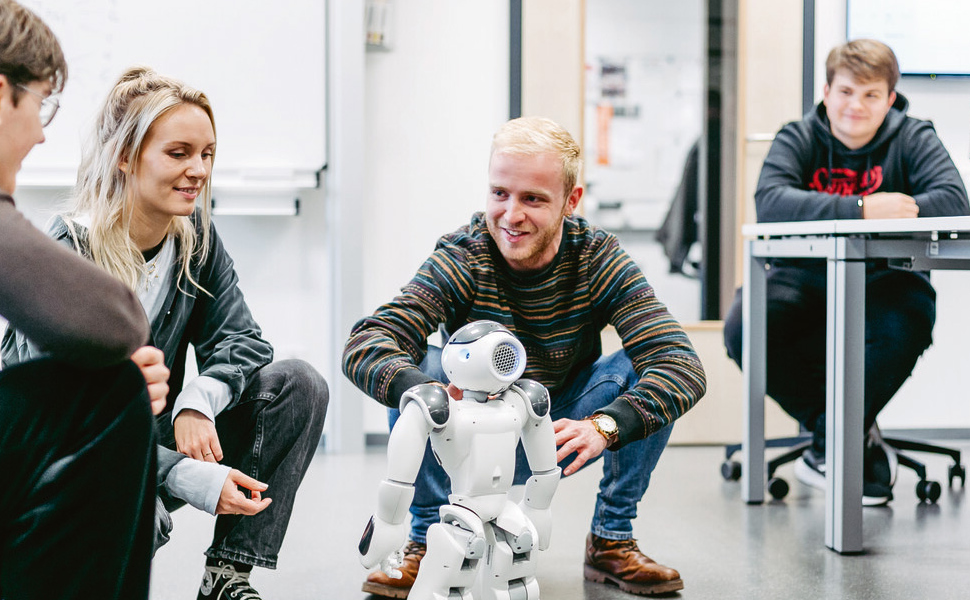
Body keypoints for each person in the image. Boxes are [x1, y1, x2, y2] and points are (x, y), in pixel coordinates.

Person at [1, 66, 330, 600]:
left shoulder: (195, 234)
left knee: (297, 384)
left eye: (207, 154)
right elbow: (61, 425)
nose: (198, 170)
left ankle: (226, 579)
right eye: (178, 153)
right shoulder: (68, 251)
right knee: (138, 510)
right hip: (74, 457)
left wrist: (197, 402)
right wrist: (188, 478)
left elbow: (243, 340)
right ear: (126, 157)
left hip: (150, 435)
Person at [344, 116, 707, 597]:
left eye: (533, 199)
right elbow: (369, 340)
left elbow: (680, 364)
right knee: (422, 369)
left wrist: (605, 426)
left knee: (643, 365)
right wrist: (427, 393)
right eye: (500, 194)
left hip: (556, 430)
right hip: (466, 436)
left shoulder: (597, 257)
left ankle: (611, 540)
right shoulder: (464, 255)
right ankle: (425, 541)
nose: (511, 215)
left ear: (570, 201)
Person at [723, 39, 970, 506]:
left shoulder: (915, 136)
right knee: (746, 327)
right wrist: (864, 208)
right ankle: (844, 435)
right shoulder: (797, 136)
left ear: (890, 99)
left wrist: (900, 208)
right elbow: (772, 201)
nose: (856, 105)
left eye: (871, 94)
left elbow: (955, 202)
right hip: (802, 277)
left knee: (907, 319)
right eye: (846, 92)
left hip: (888, 279)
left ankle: (832, 441)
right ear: (827, 92)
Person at [0, 1, 169, 598]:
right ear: (0, 95)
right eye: (40, 103)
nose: (42, 131)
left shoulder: (199, 241)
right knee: (113, 393)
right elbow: (115, 321)